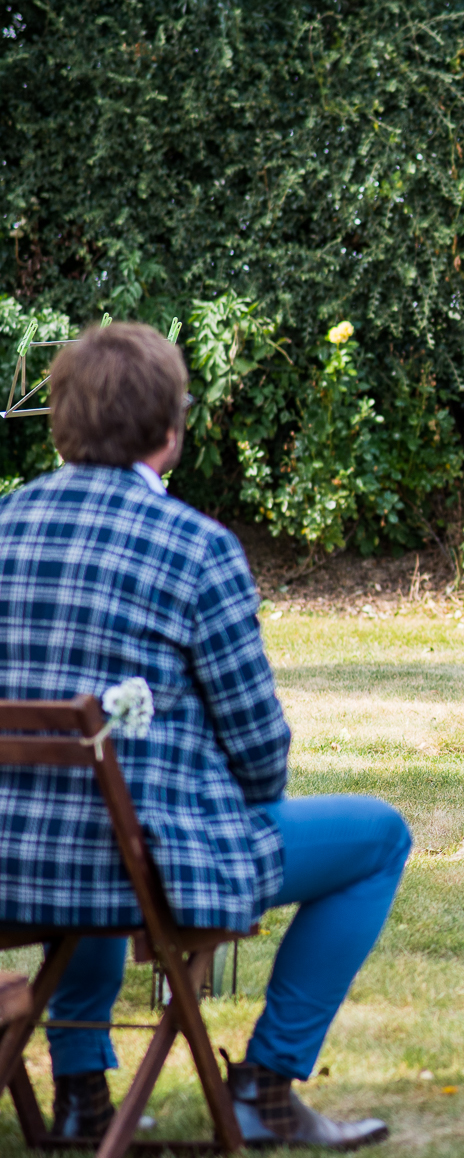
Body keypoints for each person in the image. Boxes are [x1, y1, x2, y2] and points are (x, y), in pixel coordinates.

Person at [0, 324, 406, 1149]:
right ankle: (266, 1080)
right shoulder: (196, 548)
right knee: (379, 836)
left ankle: (81, 1091)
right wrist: (238, 810)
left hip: (9, 861)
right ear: (170, 429)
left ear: (61, 421)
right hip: (138, 867)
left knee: (92, 815)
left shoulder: (5, 524)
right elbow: (260, 748)